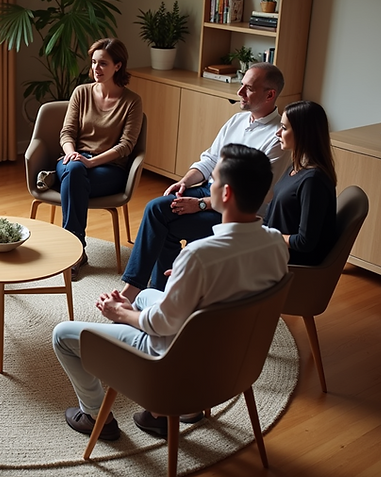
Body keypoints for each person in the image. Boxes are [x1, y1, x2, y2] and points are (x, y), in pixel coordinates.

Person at [52, 144, 289, 440]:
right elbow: (235, 288)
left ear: (225, 194)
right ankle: (159, 414)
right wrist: (187, 281)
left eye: (212, 180)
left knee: (62, 335)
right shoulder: (276, 243)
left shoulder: (199, 255)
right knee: (142, 296)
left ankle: (96, 413)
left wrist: (121, 313)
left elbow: (161, 324)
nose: (207, 187)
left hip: (177, 359)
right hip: (233, 356)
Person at [118, 62, 290, 301]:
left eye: (248, 88)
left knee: (166, 225)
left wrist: (200, 204)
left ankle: (145, 292)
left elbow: (254, 194)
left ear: (270, 94)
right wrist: (185, 182)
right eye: (241, 85)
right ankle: (155, 292)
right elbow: (209, 159)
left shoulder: (277, 137)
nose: (240, 93)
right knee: (157, 208)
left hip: (238, 211)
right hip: (212, 190)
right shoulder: (237, 120)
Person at [55, 38, 144, 280]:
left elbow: (126, 146)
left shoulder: (132, 101)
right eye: (94, 62)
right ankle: (76, 251)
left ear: (118, 66)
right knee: (73, 171)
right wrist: (72, 152)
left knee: (73, 178)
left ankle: (73, 251)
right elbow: (67, 133)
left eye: (103, 63)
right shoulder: (81, 92)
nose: (96, 68)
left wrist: (93, 162)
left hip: (109, 168)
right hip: (74, 160)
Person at [264, 100, 338, 266]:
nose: (277, 133)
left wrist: (268, 237)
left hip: (291, 262)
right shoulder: (294, 168)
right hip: (273, 249)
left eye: (283, 128)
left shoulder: (313, 181)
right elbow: (272, 216)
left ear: (303, 133)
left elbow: (305, 242)